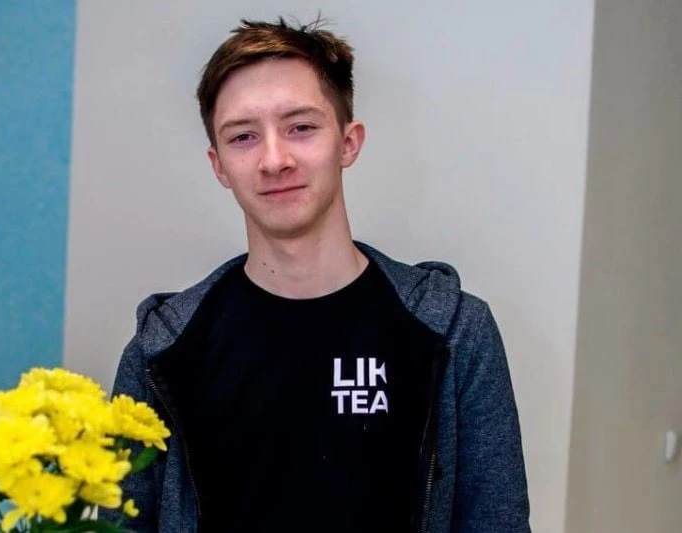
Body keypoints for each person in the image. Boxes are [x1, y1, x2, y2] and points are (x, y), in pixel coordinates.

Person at [102, 17, 530, 533]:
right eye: (243, 137)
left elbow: (496, 521)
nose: (274, 159)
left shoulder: (454, 331)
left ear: (348, 143)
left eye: (300, 127)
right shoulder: (162, 351)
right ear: (219, 165)